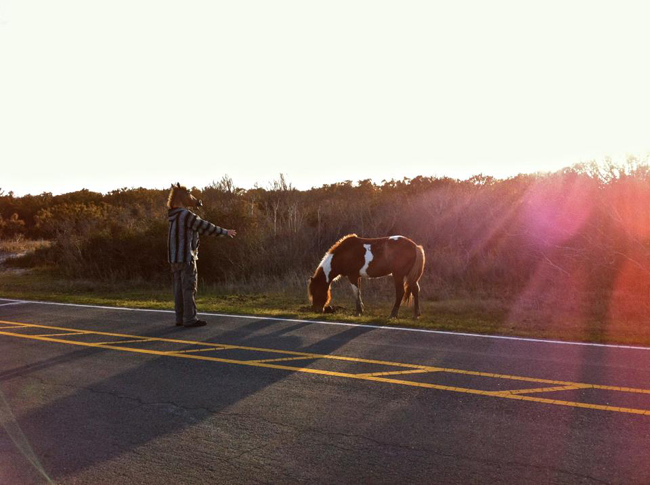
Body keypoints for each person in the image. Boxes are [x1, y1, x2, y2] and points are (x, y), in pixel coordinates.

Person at [167, 183, 237, 327]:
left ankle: (179, 318)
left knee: (178, 289)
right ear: (183, 197)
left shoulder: (172, 216)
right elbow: (204, 226)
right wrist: (224, 232)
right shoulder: (185, 215)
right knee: (188, 288)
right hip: (187, 257)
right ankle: (190, 319)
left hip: (174, 258)